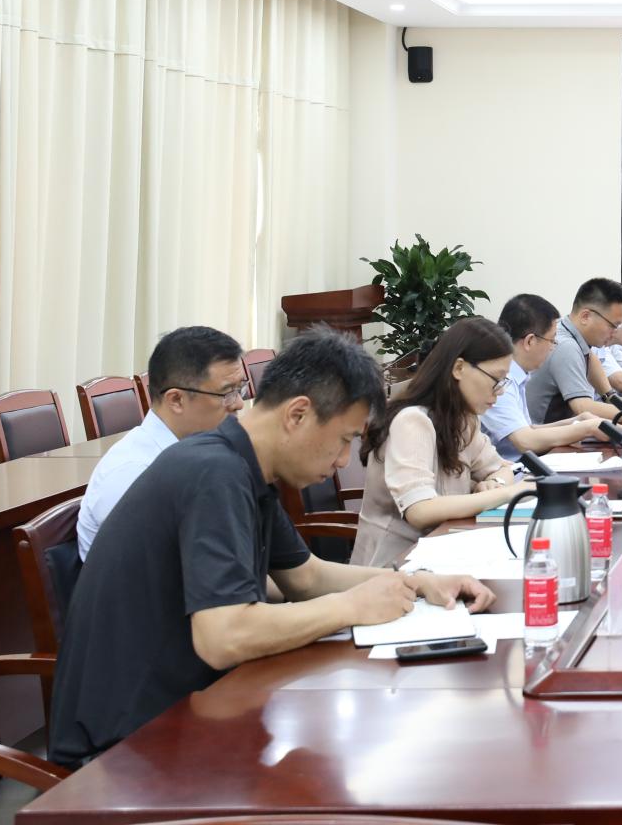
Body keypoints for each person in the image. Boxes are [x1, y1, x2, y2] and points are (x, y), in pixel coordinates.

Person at [49, 328, 494, 768]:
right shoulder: (214, 473)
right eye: (344, 439)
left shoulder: (243, 465)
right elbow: (222, 638)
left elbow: (307, 576)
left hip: (189, 711)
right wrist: (351, 606)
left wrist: (416, 582)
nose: (343, 461)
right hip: (124, 752)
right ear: (297, 414)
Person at [352, 317, 535, 568]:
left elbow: (504, 468)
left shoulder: (463, 418)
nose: (500, 391)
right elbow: (420, 510)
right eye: (496, 379)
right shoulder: (412, 421)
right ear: (458, 368)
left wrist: (495, 483)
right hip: (396, 565)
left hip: (445, 550)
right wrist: (505, 493)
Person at [78, 326, 246, 559]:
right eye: (227, 393)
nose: (239, 404)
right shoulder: (133, 475)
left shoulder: (199, 454)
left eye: (240, 389)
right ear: (176, 400)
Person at [481, 293, 604, 461]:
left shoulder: (518, 375)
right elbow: (525, 440)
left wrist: (578, 421)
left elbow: (528, 429)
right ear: (530, 341)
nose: (553, 348)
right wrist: (587, 428)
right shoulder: (501, 380)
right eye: (552, 340)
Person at [525, 278, 622, 425]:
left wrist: (614, 399)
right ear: (585, 316)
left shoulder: (568, 329)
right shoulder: (566, 346)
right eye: (613, 325)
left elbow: (591, 359)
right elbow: (582, 407)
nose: (615, 332)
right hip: (543, 436)